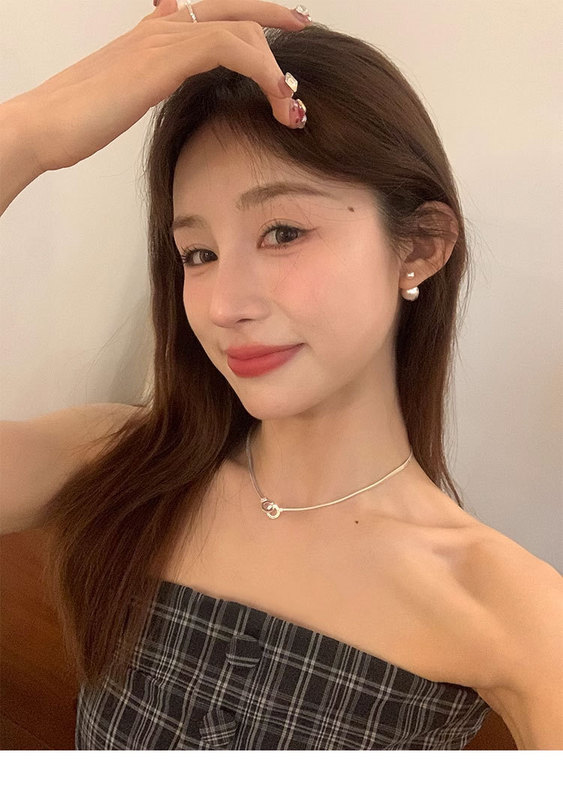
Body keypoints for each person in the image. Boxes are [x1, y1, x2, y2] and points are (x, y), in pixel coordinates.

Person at [1, 1, 561, 750]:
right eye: (198, 254)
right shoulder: (116, 461)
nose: (223, 305)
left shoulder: (509, 610)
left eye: (283, 232)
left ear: (419, 248)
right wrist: (27, 132)